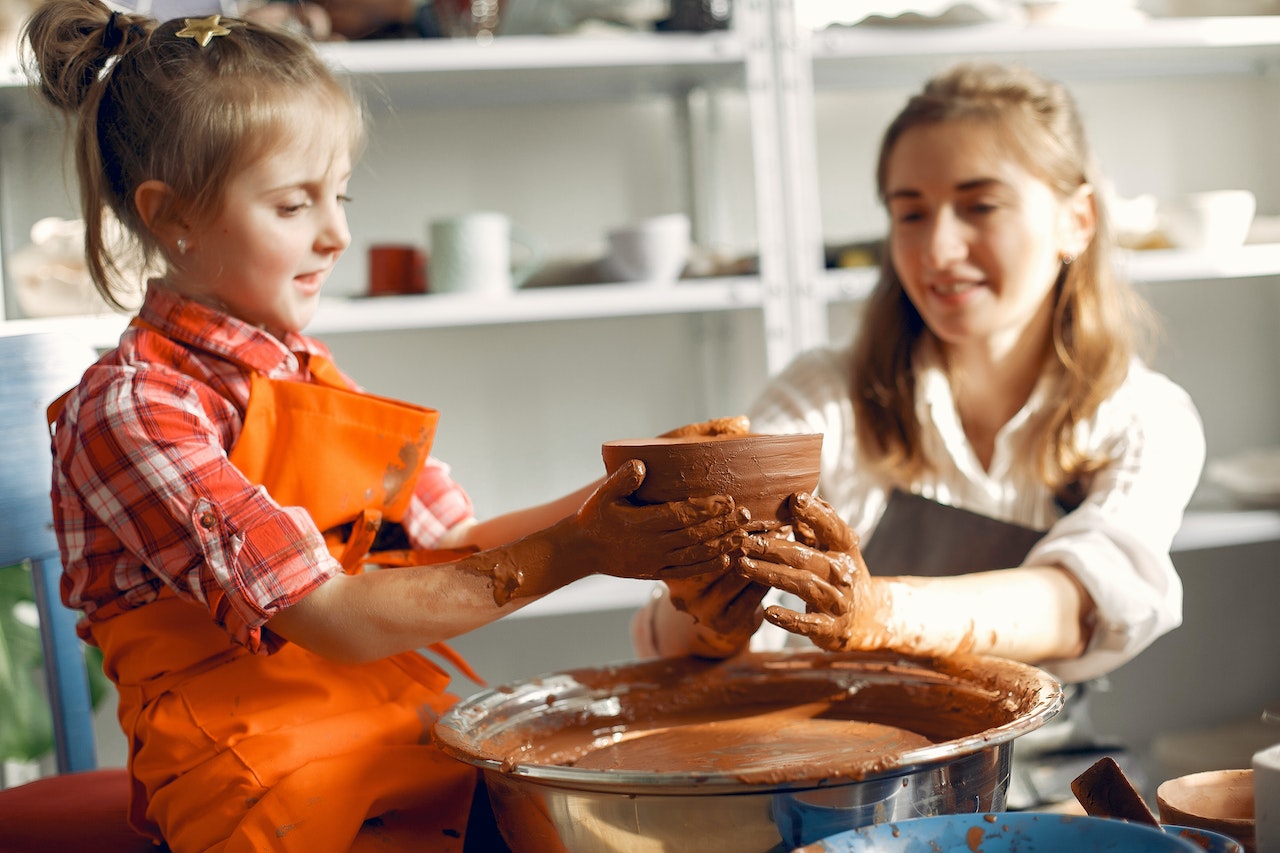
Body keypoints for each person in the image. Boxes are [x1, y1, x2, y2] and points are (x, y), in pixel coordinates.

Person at [24, 3, 751, 850]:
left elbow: (458, 541)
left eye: (340, 195)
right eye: (295, 205)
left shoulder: (304, 370)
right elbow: (328, 612)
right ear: (168, 213)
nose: (338, 234)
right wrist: (585, 552)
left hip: (388, 733)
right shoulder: (134, 408)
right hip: (259, 781)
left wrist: (640, 485)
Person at [634, 61, 1206, 804]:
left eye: (980, 206)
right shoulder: (827, 396)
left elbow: (1075, 604)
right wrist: (709, 621)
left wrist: (883, 611)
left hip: (1045, 785)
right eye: (911, 212)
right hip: (841, 790)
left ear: (1077, 219)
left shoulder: (1143, 418)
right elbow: (669, 631)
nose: (937, 249)